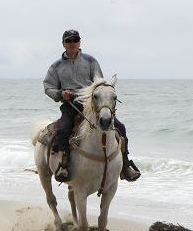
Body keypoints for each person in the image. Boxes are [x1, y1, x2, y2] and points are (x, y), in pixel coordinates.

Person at [43, 29, 140, 183]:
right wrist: (61, 94)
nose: (72, 43)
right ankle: (63, 164)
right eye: (69, 41)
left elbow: (99, 83)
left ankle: (125, 164)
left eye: (75, 40)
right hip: (70, 104)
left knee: (120, 127)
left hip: (91, 103)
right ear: (63, 44)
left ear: (79, 42)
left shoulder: (90, 61)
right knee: (63, 128)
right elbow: (48, 87)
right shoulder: (55, 67)